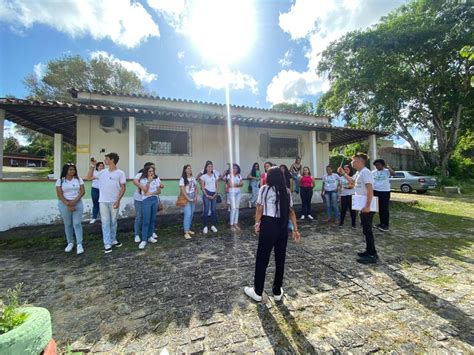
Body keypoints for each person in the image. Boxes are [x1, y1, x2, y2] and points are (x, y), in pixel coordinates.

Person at [244, 167, 300, 302]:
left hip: (268, 225)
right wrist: (295, 229)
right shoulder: (286, 191)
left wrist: (257, 224)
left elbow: (259, 208)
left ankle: (258, 291)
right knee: (280, 258)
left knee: (262, 258)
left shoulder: (264, 189)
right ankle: (277, 291)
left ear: (269, 177)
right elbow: (291, 211)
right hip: (282, 226)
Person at [339, 153, 378, 264]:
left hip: (367, 206)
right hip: (362, 205)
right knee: (365, 230)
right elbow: (352, 182)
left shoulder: (366, 172)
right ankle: (369, 250)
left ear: (360, 161)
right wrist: (343, 174)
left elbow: (370, 189)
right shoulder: (359, 172)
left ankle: (372, 255)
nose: (352, 162)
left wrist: (367, 205)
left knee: (368, 230)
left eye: (353, 160)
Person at [87, 153, 126, 254]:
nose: (104, 160)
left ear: (112, 160)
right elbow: (89, 177)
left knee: (113, 221)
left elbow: (123, 188)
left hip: (114, 201)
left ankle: (113, 240)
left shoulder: (120, 173)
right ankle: (107, 243)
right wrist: (92, 165)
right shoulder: (102, 172)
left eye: (106, 158)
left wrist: (118, 200)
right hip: (103, 201)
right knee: (105, 222)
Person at [56, 163, 85, 255]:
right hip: (64, 204)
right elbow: (59, 194)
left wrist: (74, 202)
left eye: (73, 169)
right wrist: (68, 204)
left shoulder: (78, 180)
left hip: (77, 203)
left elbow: (82, 191)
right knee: (68, 224)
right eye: (70, 169)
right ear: (66, 171)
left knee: (77, 223)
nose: (72, 171)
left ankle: (79, 244)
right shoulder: (60, 181)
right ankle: (70, 242)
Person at [132, 162, 160, 243]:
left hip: (150, 198)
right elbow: (135, 182)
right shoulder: (140, 175)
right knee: (139, 216)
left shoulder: (155, 177)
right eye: (150, 169)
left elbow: (159, 187)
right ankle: (137, 234)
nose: (152, 171)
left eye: (153, 169)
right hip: (139, 199)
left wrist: (158, 185)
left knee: (151, 217)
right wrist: (144, 186)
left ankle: (150, 234)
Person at [372, 159, 395, 232]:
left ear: (382, 165)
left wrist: (388, 167)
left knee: (384, 209)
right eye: (375, 165)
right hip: (375, 191)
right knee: (378, 209)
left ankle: (386, 225)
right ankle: (381, 223)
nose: (377, 166)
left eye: (378, 165)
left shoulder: (386, 171)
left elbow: (394, 174)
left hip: (384, 192)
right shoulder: (373, 172)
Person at [179, 164, 198, 239]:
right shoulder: (182, 179)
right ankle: (186, 232)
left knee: (191, 214)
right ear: (185, 170)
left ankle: (188, 229)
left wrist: (196, 196)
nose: (190, 170)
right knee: (188, 214)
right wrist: (188, 198)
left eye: (190, 168)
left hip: (192, 196)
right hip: (185, 197)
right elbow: (183, 190)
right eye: (188, 168)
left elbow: (196, 188)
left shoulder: (193, 178)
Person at [200, 161, 219, 234]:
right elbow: (203, 187)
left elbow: (217, 186)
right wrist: (207, 195)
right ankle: (205, 226)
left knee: (213, 210)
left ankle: (213, 225)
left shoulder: (215, 175)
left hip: (214, 193)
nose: (210, 168)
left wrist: (215, 194)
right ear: (206, 167)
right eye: (208, 166)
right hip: (206, 193)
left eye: (211, 166)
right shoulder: (203, 176)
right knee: (206, 210)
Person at [226, 163, 244, 231]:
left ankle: (235, 223)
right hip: (232, 193)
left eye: (236, 168)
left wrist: (235, 185)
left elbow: (242, 184)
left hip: (238, 193)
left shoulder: (239, 176)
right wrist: (238, 184)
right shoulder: (229, 176)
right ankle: (231, 225)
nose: (235, 169)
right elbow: (230, 184)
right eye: (233, 168)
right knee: (233, 208)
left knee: (237, 208)